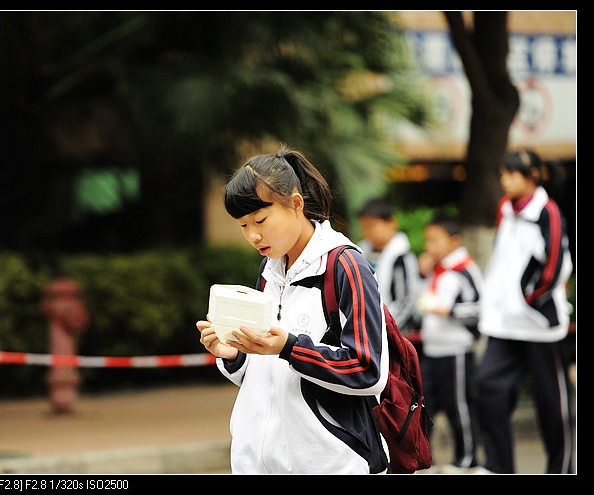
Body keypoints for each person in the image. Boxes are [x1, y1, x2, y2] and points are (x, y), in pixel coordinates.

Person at [195, 146, 390, 474]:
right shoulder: (269, 271)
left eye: (260, 219)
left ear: (296, 204)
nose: (253, 235)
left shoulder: (345, 266)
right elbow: (264, 376)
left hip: (333, 465)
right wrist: (232, 354)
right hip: (259, 465)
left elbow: (368, 371)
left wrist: (288, 347)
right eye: (243, 226)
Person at [475, 149, 575, 474]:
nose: (505, 179)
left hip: (538, 325)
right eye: (503, 172)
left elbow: (557, 266)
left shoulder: (548, 210)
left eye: (512, 173)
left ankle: (559, 470)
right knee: (489, 389)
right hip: (503, 325)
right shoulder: (506, 208)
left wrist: (528, 300)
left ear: (532, 177)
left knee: (551, 405)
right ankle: (498, 467)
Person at [415, 210, 483, 473]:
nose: (429, 246)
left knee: (459, 406)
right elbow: (422, 302)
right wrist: (422, 276)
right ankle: (424, 459)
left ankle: (466, 458)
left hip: (456, 349)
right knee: (426, 403)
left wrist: (450, 310)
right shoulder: (437, 270)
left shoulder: (465, 269)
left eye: (435, 240)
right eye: (427, 240)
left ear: (454, 241)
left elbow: (478, 307)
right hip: (434, 348)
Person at [357, 197, 420, 336]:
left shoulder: (401, 256)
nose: (366, 232)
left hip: (394, 333)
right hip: (366, 330)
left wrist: (385, 329)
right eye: (363, 227)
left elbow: (407, 301)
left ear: (391, 223)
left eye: (371, 226)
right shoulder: (360, 253)